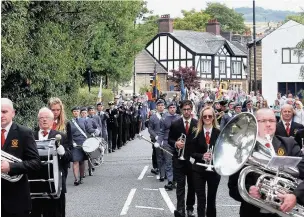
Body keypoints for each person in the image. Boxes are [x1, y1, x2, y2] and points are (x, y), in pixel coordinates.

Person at [228, 108, 304, 217]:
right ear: (255, 124)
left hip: (285, 212)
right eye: (263, 121)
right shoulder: (243, 149)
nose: (268, 124)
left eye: (272, 120)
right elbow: (232, 187)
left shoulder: (289, 144)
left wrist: (295, 196)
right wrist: (248, 190)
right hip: (253, 213)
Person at [1, 98, 41, 217]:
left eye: (4, 112)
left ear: (13, 113)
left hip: (16, 199)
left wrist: (11, 167)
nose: (1, 115)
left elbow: (36, 163)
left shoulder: (24, 133)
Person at [31, 107, 72, 217]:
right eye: (41, 118)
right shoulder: (30, 136)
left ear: (53, 119)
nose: (44, 120)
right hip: (35, 183)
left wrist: (62, 152)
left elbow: (69, 158)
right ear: (38, 120)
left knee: (56, 213)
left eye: (47, 118)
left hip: (56, 183)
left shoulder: (61, 136)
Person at [168, 100, 198, 217]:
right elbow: (169, 139)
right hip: (178, 160)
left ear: (191, 110)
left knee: (192, 186)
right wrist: (176, 143)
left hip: (192, 160)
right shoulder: (175, 123)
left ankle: (190, 208)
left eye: (188, 109)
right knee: (180, 186)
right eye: (184, 109)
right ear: (181, 110)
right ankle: (180, 209)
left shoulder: (197, 123)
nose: (186, 112)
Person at [191, 106, 221, 217]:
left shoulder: (219, 132)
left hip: (214, 169)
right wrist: (202, 156)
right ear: (201, 118)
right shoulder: (195, 132)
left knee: (211, 199)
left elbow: (223, 152)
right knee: (201, 199)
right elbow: (191, 152)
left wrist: (214, 156)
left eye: (210, 116)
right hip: (198, 170)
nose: (207, 118)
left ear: (213, 117)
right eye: (205, 116)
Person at [68, 106, 95, 185]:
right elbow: (68, 134)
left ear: (79, 112)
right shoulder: (69, 122)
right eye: (74, 111)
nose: (76, 113)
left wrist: (95, 132)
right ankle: (76, 179)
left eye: (77, 111)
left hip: (83, 142)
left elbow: (88, 129)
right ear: (72, 113)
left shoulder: (84, 121)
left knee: (82, 161)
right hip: (74, 143)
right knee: (75, 161)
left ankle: (81, 177)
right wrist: (72, 142)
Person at [155, 101, 180, 188]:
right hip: (167, 143)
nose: (172, 109)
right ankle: (170, 181)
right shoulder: (164, 119)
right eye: (170, 108)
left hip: (177, 143)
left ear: (176, 108)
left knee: (176, 163)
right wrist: (158, 142)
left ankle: (175, 180)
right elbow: (161, 132)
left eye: (174, 107)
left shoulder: (179, 118)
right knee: (168, 163)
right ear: (168, 109)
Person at [148, 99, 165, 176]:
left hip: (165, 139)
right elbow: (150, 129)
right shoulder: (153, 117)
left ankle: (165, 170)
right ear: (156, 107)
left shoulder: (167, 116)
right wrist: (155, 136)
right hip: (156, 139)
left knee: (165, 155)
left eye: (162, 105)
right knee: (156, 154)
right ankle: (157, 168)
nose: (161, 107)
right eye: (159, 105)